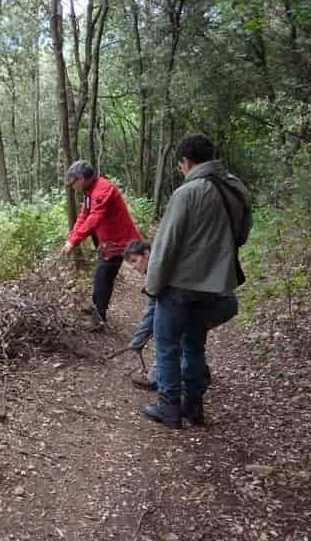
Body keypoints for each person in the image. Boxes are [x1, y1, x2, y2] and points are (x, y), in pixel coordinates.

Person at [143, 134, 252, 428]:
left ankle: (169, 406)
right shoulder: (237, 188)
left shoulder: (187, 192)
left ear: (186, 162)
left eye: (181, 165)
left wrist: (153, 287)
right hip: (215, 285)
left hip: (180, 285)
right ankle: (194, 406)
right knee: (194, 343)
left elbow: (166, 246)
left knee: (167, 344)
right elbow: (241, 235)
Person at [123, 240, 238, 392]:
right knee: (189, 335)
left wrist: (138, 341)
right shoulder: (161, 263)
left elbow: (153, 312)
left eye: (134, 261)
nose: (133, 267)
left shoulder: (159, 270)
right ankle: (200, 374)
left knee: (179, 334)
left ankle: (160, 379)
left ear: (146, 253)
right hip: (220, 300)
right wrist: (139, 340)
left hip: (217, 303)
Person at [62, 160, 142, 331]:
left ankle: (170, 301)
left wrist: (74, 241)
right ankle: (99, 317)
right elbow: (84, 216)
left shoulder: (103, 189)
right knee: (102, 277)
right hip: (111, 245)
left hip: (124, 242)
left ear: (82, 178)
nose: (72, 186)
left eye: (73, 181)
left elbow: (94, 219)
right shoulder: (89, 191)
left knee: (150, 270)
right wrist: (71, 239)